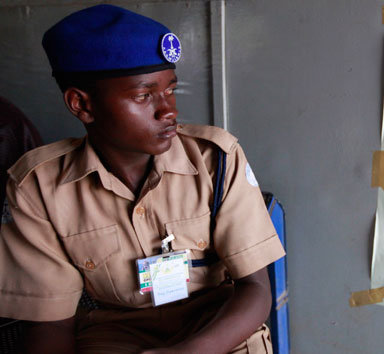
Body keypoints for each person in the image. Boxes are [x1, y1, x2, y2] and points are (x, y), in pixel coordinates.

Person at [0, 4, 285, 353]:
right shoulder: (39, 188)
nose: (168, 110)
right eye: (143, 95)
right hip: (116, 335)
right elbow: (52, 323)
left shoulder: (216, 159)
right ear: (82, 105)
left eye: (170, 90)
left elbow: (256, 289)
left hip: (217, 329)